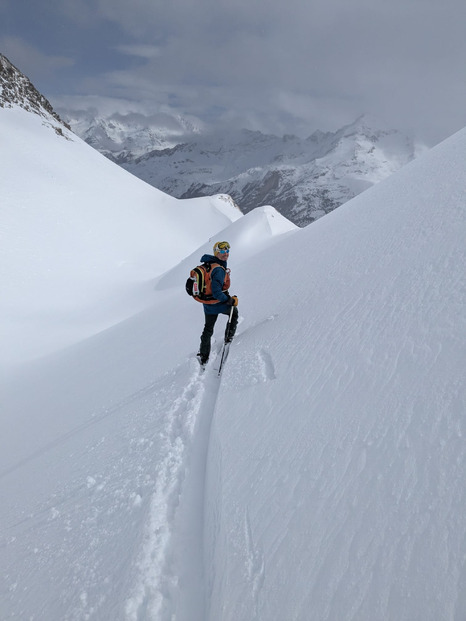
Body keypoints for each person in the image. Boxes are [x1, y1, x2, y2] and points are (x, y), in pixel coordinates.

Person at [197, 241, 238, 365]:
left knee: (208, 328)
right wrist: (229, 300)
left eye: (227, 251)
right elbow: (216, 292)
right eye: (222, 251)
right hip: (217, 302)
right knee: (234, 312)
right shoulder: (219, 270)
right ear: (216, 253)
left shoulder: (208, 264)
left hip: (207, 303)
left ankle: (203, 355)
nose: (226, 254)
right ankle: (229, 337)